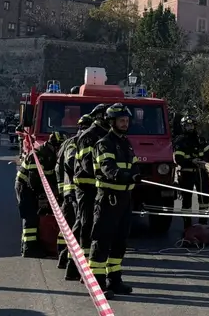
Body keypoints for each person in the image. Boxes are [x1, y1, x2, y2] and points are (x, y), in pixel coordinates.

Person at [87, 103, 140, 296]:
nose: (125, 124)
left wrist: (135, 175)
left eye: (126, 120)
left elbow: (134, 166)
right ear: (112, 121)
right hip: (108, 199)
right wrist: (126, 176)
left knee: (120, 242)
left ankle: (114, 281)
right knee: (101, 241)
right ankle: (97, 285)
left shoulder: (126, 143)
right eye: (121, 120)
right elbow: (108, 169)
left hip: (125, 199)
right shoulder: (104, 144)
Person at [68, 103, 109, 281]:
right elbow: (87, 166)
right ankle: (78, 268)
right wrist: (110, 174)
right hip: (87, 188)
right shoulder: (89, 136)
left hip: (99, 189)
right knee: (85, 226)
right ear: (99, 116)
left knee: (95, 227)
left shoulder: (106, 135)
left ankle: (83, 268)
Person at [15, 129, 64, 258]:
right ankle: (29, 249)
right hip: (25, 187)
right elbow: (34, 180)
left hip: (35, 187)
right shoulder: (38, 155)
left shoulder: (52, 155)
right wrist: (42, 196)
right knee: (30, 216)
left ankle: (34, 245)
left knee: (37, 217)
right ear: (53, 145)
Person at [55, 114, 94, 271]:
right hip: (74, 191)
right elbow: (71, 163)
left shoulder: (72, 141)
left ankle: (66, 258)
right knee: (78, 225)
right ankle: (67, 258)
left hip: (72, 190)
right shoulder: (75, 142)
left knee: (74, 225)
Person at [172, 114, 209, 229]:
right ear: (183, 127)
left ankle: (203, 226)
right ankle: (187, 228)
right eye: (187, 125)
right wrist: (191, 161)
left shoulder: (200, 140)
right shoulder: (180, 141)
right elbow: (179, 159)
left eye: (191, 125)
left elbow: (208, 156)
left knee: (204, 200)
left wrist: (202, 160)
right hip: (186, 174)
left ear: (195, 126)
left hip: (201, 172)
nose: (189, 128)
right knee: (186, 201)